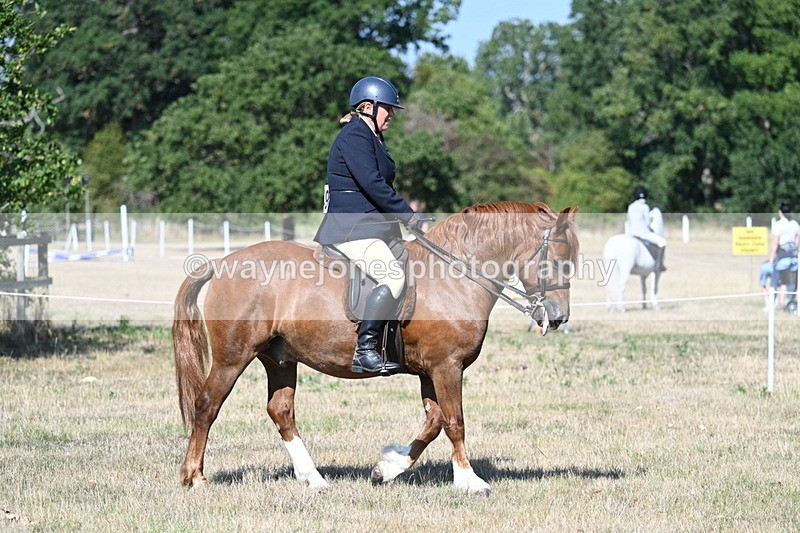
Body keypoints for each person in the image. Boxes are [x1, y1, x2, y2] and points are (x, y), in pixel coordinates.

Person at [314, 76, 430, 375]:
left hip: (370, 227)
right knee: (392, 277)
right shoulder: (355, 136)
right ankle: (364, 350)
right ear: (368, 107)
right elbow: (373, 185)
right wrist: (408, 215)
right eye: (387, 109)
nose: (391, 114)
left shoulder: (372, 137)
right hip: (351, 229)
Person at [627, 186, 667, 272]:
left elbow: (629, 220)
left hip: (631, 233)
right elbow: (647, 223)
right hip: (644, 234)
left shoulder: (631, 206)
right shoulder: (645, 207)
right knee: (663, 242)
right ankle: (659, 264)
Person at [769, 202, 800, 310]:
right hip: (794, 257)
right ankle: (787, 303)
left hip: (782, 257)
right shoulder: (795, 224)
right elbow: (797, 242)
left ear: (780, 212)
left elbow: (775, 243)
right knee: (791, 282)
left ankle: (773, 305)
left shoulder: (778, 225)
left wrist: (771, 258)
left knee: (776, 281)